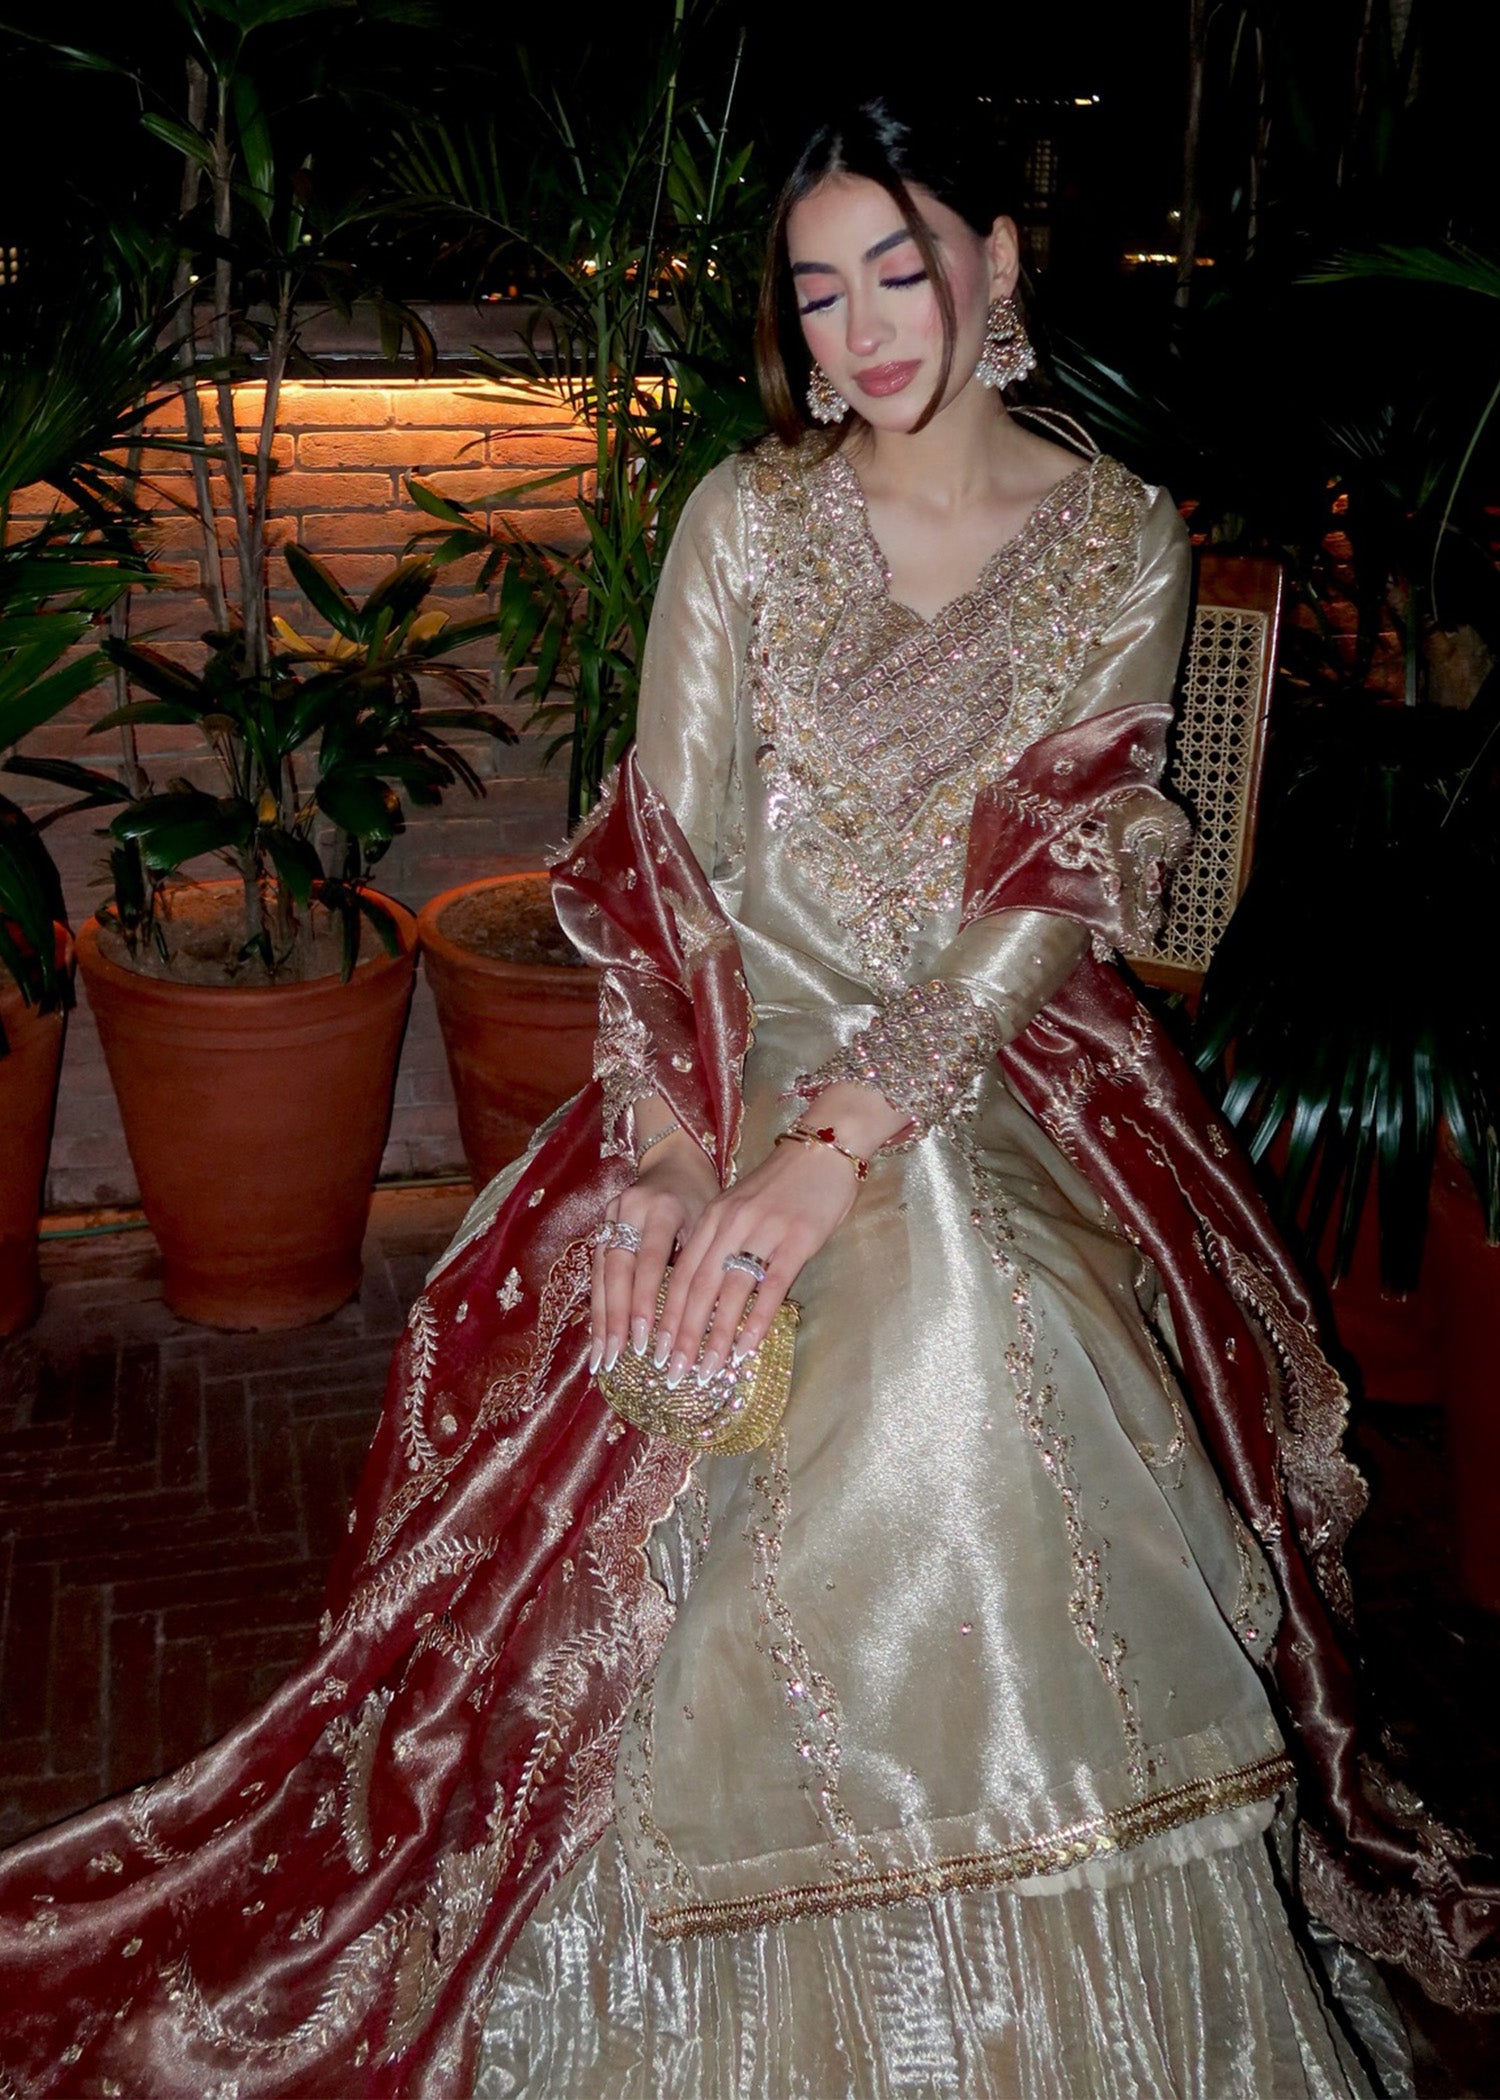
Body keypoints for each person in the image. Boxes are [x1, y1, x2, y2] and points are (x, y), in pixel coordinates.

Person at [1, 91, 1494, 2100]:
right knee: (676, 1308)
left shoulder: (1120, 540)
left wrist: (822, 1164)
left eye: (902, 269)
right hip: (718, 1057)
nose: (864, 330)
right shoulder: (747, 515)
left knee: (964, 1300)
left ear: (998, 262)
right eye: (819, 291)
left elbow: (1042, 897)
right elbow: (665, 868)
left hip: (988, 1059)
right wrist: (671, 1157)